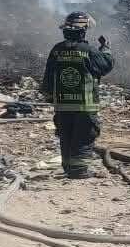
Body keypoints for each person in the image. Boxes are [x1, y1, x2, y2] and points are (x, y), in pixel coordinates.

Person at [41, 12, 114, 178]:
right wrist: (106, 49)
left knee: (66, 136)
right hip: (84, 105)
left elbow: (48, 77)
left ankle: (68, 168)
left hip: (62, 105)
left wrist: (49, 98)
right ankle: (79, 171)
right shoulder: (88, 50)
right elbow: (105, 65)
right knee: (83, 137)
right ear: (83, 31)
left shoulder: (57, 50)